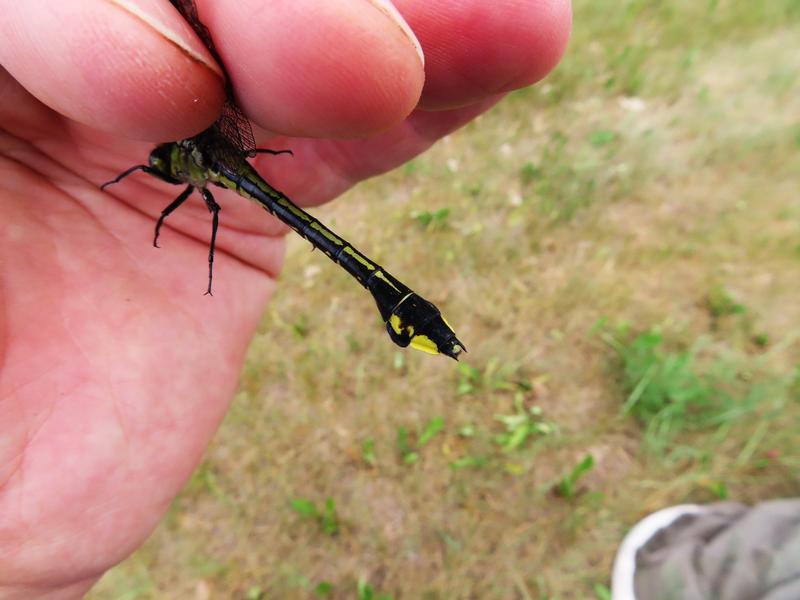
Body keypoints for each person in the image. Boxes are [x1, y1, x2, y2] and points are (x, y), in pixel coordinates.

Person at [0, 1, 572, 597]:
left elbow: (199, 199)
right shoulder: (196, 149)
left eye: (161, 167)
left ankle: (399, 305)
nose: (159, 170)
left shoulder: (184, 145)